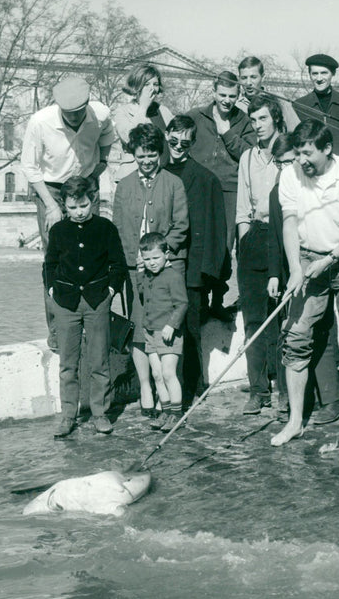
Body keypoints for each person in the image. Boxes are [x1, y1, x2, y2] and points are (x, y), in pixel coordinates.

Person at [271, 119, 339, 449]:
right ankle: (295, 422)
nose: (301, 161)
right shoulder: (290, 174)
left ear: (327, 149)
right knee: (296, 337)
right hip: (305, 256)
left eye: (307, 154)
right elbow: (289, 224)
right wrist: (294, 269)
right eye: (298, 154)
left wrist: (329, 260)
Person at [20, 76, 116, 351]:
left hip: (86, 182)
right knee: (56, 258)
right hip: (51, 187)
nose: (74, 119)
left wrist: (102, 164)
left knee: (94, 253)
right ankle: (58, 329)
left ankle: (93, 324)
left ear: (88, 105)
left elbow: (107, 137)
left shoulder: (101, 114)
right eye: (68, 114)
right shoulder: (40, 122)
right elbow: (30, 167)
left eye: (79, 113)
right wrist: (51, 205)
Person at [112, 124, 189, 417]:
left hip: (167, 266)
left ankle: (166, 392)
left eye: (152, 155)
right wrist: (134, 260)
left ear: (160, 153)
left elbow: (181, 225)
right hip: (136, 270)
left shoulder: (173, 183)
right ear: (134, 154)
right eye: (141, 155)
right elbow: (119, 226)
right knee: (140, 327)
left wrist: (159, 255)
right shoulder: (125, 185)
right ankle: (147, 385)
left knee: (165, 327)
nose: (146, 161)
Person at [267, 134, 339, 420]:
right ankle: (295, 398)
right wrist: (276, 272)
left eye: (291, 161)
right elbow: (276, 234)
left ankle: (332, 399)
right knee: (293, 334)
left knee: (321, 331)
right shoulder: (279, 190)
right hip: (291, 272)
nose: (287, 168)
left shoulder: (313, 186)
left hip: (316, 268)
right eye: (280, 163)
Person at [43, 176, 126, 438]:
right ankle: (68, 415)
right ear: (64, 206)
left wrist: (110, 290)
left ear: (92, 201)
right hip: (66, 303)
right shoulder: (58, 231)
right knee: (68, 363)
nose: (79, 212)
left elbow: (118, 264)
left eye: (84, 205)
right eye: (73, 207)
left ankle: (100, 413)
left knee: (99, 360)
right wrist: (54, 290)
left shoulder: (105, 228)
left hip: (96, 300)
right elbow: (49, 265)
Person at [163, 115, 227, 406]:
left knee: (190, 329)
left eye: (185, 142)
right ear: (166, 137)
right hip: (161, 266)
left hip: (192, 269)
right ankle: (167, 387)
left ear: (192, 142)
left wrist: (211, 274)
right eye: (173, 141)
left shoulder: (206, 179)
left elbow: (216, 230)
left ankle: (192, 386)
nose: (178, 146)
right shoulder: (158, 173)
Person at [187, 71, 256, 322]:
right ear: (214, 92)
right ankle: (200, 303)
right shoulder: (195, 116)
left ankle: (217, 301)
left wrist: (227, 133)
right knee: (199, 243)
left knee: (224, 247)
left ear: (238, 96)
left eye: (232, 96)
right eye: (223, 94)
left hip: (230, 188)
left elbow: (251, 155)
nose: (227, 100)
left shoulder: (244, 121)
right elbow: (178, 139)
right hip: (199, 188)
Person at [236, 95, 284, 415]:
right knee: (253, 319)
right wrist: (245, 242)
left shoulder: (288, 153)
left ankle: (283, 387)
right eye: (253, 121)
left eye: (263, 119)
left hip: (282, 237)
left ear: (275, 119)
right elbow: (242, 207)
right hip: (255, 236)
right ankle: (258, 390)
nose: (257, 126)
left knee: (281, 318)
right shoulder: (247, 158)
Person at [136, 232, 189, 432]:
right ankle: (165, 412)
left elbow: (182, 304)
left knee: (168, 373)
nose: (152, 263)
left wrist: (171, 325)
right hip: (150, 331)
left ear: (166, 254)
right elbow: (142, 293)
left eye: (156, 258)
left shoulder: (173, 276)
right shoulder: (147, 275)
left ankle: (177, 414)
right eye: (147, 259)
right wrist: (139, 272)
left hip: (167, 333)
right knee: (157, 375)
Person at [112, 65, 174, 182]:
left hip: (162, 176)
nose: (152, 88)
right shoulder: (123, 111)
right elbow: (128, 138)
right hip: (134, 176)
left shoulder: (163, 111)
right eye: (146, 84)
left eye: (155, 84)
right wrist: (143, 107)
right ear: (136, 86)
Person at [294, 54, 339, 151]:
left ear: (333, 73)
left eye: (324, 73)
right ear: (309, 75)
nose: (319, 78)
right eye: (315, 73)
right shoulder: (299, 105)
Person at [236, 55, 300, 132]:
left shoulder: (279, 100)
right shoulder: (236, 106)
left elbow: (297, 131)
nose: (248, 83)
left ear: (263, 77)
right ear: (239, 79)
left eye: (253, 77)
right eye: (244, 78)